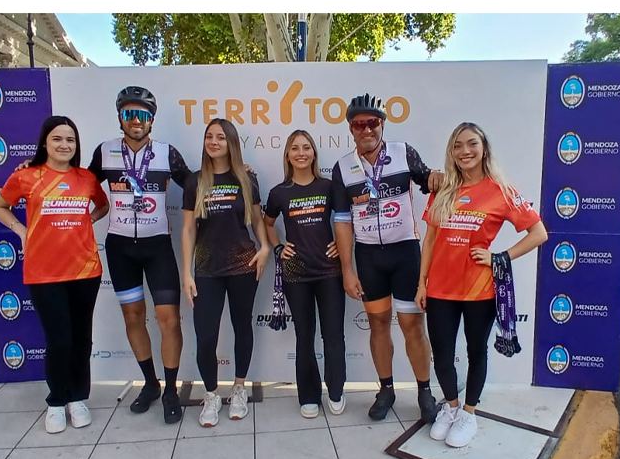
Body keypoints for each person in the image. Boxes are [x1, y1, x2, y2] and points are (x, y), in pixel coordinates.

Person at [417, 122, 548, 447]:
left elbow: (538, 233)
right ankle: (450, 407)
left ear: (484, 148)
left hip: (480, 290)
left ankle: (469, 414)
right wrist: (421, 283)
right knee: (442, 355)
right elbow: (430, 240)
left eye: (472, 143)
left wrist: (500, 257)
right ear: (452, 152)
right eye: (458, 145)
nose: (465, 151)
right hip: (440, 289)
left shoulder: (501, 190)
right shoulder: (443, 189)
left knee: (476, 352)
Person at [0, 116, 109, 434]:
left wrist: (85, 222)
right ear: (45, 142)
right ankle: (57, 401)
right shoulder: (27, 176)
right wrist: (21, 231)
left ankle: (78, 398)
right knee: (59, 339)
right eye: (57, 138)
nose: (64, 145)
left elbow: (102, 206)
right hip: (44, 272)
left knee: (82, 338)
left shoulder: (86, 178)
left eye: (70, 139)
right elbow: (0, 205)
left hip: (85, 270)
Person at [332, 93, 443, 423]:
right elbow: (342, 220)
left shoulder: (403, 152)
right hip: (369, 258)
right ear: (351, 129)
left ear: (382, 124)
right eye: (359, 125)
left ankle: (425, 391)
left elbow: (428, 179)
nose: (367, 130)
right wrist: (347, 270)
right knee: (378, 324)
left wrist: (437, 175)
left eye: (373, 123)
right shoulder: (343, 168)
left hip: (405, 252)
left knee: (412, 325)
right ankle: (386, 389)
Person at [88, 86, 191, 424]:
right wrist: (38, 165)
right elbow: (78, 181)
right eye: (129, 113)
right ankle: (150, 384)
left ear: (151, 120)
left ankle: (171, 389)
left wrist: (237, 172)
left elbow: (196, 183)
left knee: (169, 320)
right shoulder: (104, 152)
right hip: (120, 249)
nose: (136, 120)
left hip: (157, 246)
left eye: (142, 115)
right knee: (133, 317)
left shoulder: (166, 153)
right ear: (120, 118)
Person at [182, 119, 270, 427]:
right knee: (206, 337)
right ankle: (211, 394)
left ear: (231, 142)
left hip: (243, 265)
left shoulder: (246, 179)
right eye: (209, 136)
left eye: (221, 137)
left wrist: (265, 247)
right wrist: (186, 273)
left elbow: (257, 220)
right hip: (206, 270)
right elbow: (188, 229)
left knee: (242, 327)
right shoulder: (195, 181)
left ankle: (239, 388)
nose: (214, 141)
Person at [264, 130, 346, 418]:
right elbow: (267, 223)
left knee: (333, 335)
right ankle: (308, 395)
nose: (301, 153)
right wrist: (277, 247)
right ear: (287, 155)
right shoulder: (279, 192)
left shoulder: (328, 187)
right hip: (296, 274)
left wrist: (342, 245)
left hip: (329, 272)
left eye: (306, 147)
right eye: (295, 148)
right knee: (305, 336)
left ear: (314, 153)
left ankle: (336, 390)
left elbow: (347, 219)